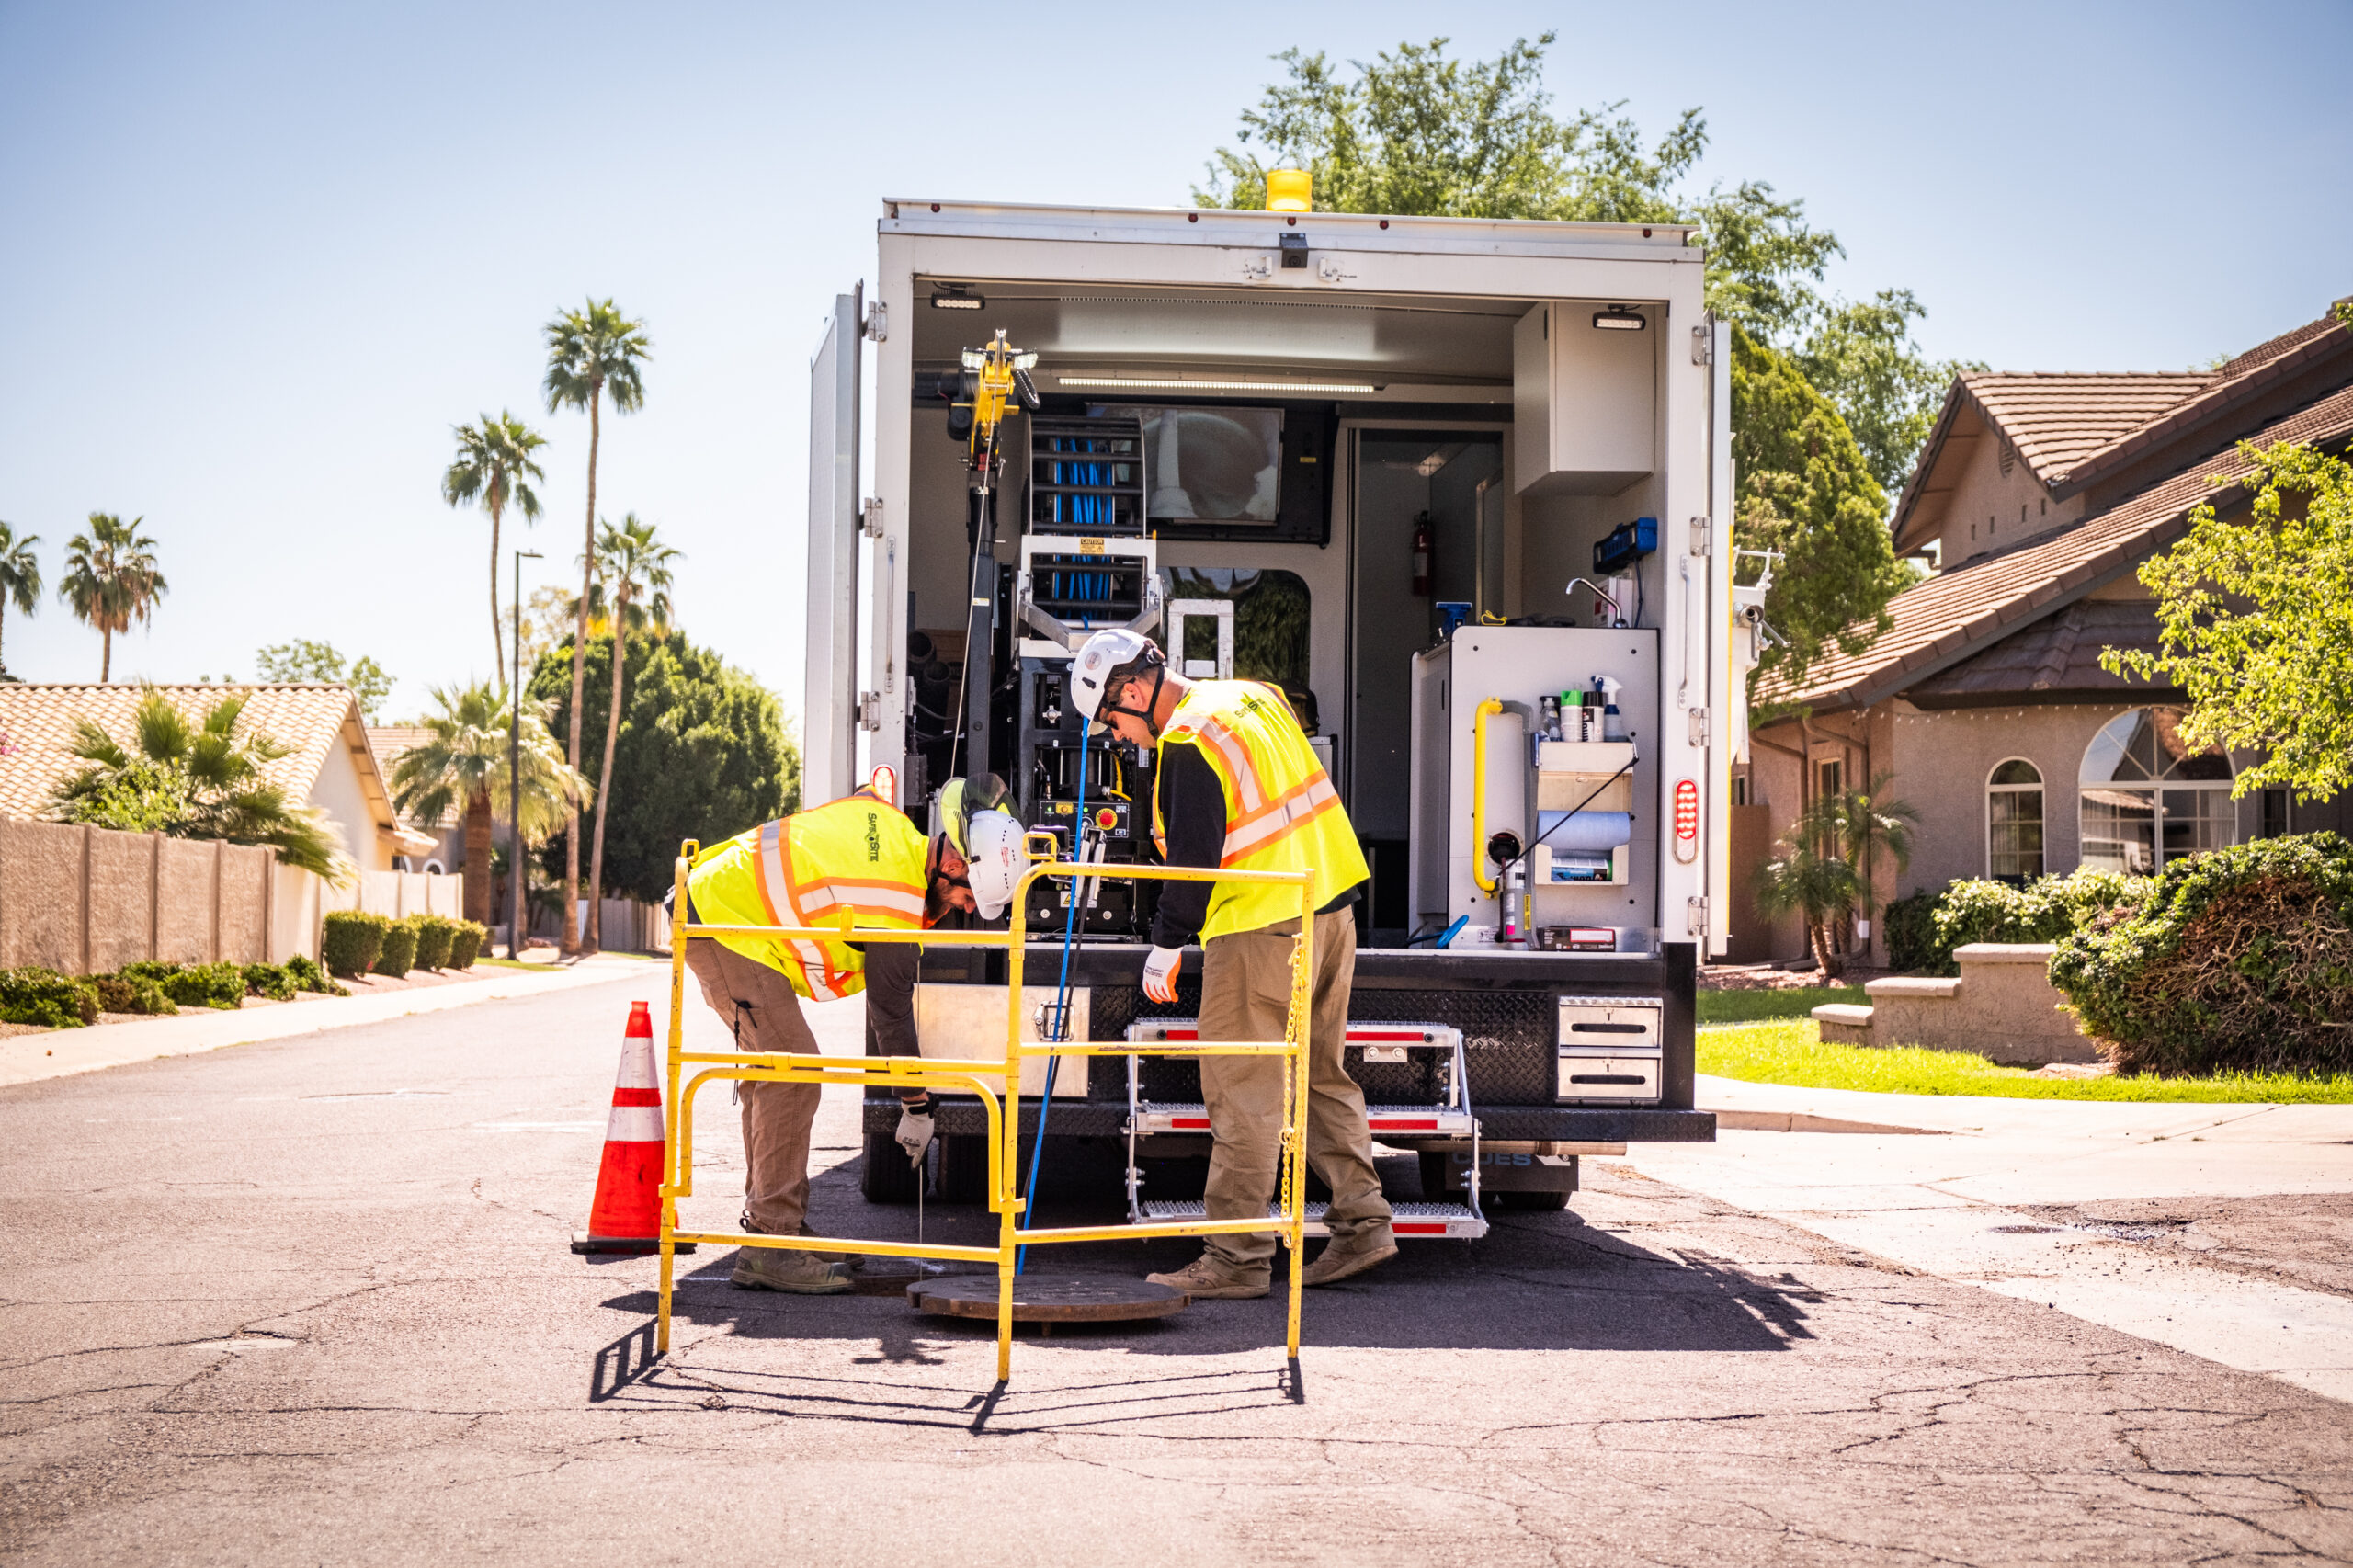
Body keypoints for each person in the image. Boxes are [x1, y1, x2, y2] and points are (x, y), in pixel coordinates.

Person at [1069, 629, 1397, 1297]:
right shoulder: (1254, 696)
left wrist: (1165, 944)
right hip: (1330, 911)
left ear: (1133, 689)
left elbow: (1196, 860)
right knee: (1320, 1077)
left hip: (1258, 925)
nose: (1120, 736)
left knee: (1242, 1092)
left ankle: (1235, 1259)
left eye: (1112, 719)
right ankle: (1364, 1223)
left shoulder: (1188, 741)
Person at [677, 775, 1022, 1292]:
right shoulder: (897, 905)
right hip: (725, 923)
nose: (966, 910)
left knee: (775, 1074)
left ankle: (779, 1228)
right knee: (793, 1075)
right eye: (968, 897)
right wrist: (917, 1104)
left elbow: (862, 797)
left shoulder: (896, 830)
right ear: (952, 864)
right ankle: (771, 1242)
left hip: (719, 904)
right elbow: (890, 1015)